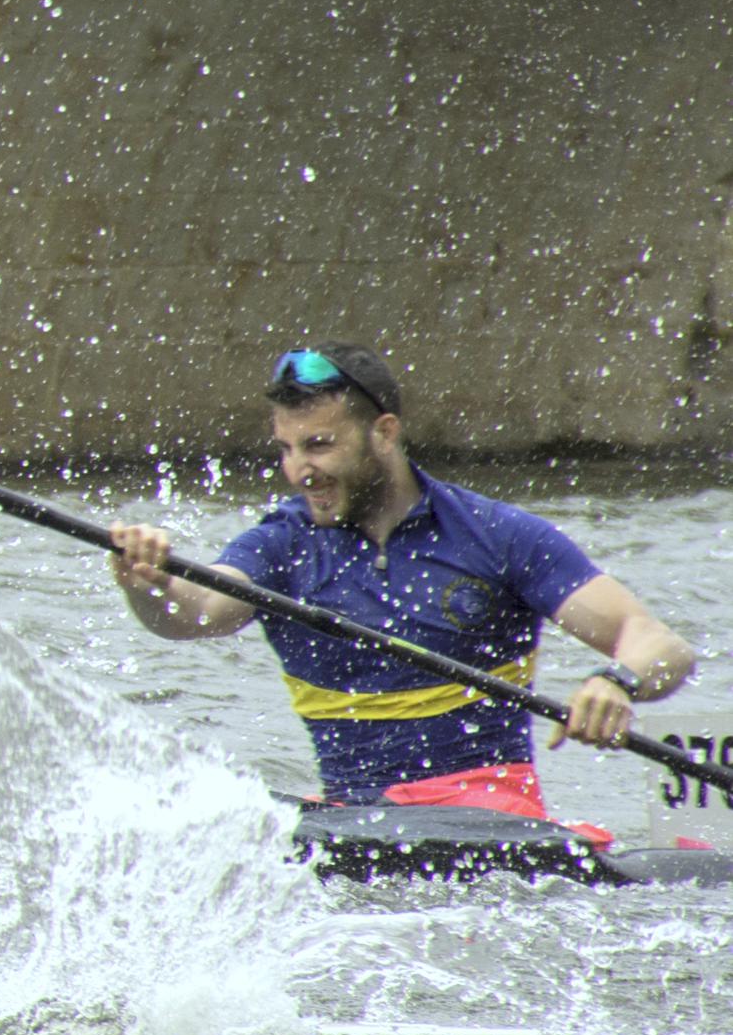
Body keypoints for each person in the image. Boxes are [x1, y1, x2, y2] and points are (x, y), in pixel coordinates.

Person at [107, 344, 698, 814]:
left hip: (488, 815)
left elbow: (659, 644)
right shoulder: (283, 544)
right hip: (350, 812)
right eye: (286, 449)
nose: (299, 471)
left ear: (384, 433)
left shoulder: (496, 536)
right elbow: (195, 613)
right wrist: (146, 582)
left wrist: (617, 681)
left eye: (318, 445)